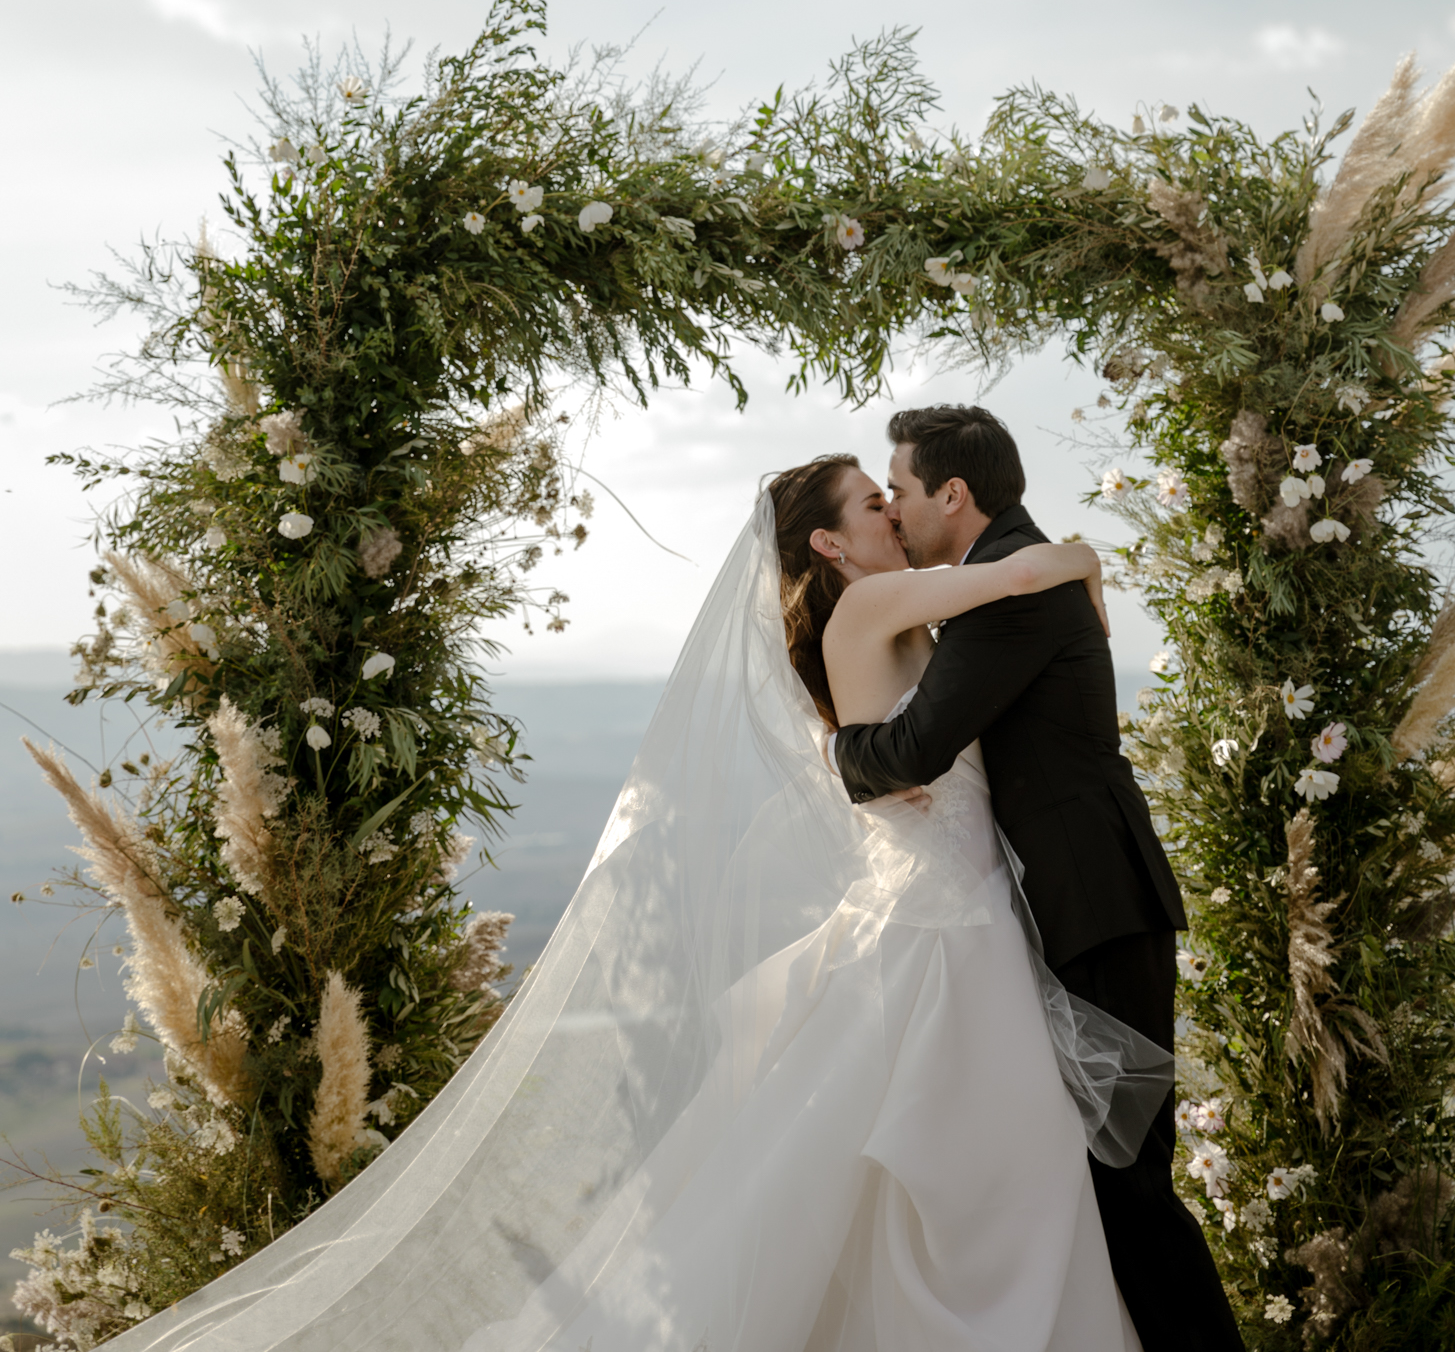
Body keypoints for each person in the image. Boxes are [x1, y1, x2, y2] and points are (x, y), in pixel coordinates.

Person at [105, 456, 1174, 1352]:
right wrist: (1078, 559)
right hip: (950, 929)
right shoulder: (880, 600)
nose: (890, 511)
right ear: (829, 548)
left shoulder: (869, 614)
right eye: (869, 504)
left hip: (957, 912)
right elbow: (1016, 578)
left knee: (940, 1184)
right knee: (1000, 1176)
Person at [835, 404, 1246, 1352]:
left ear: (952, 492)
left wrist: (828, 754)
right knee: (1109, 1176)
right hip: (1085, 897)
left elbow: (913, 748)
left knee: (1130, 1181)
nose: (893, 512)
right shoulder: (1008, 572)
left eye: (898, 491)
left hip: (1093, 904)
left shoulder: (1007, 593)